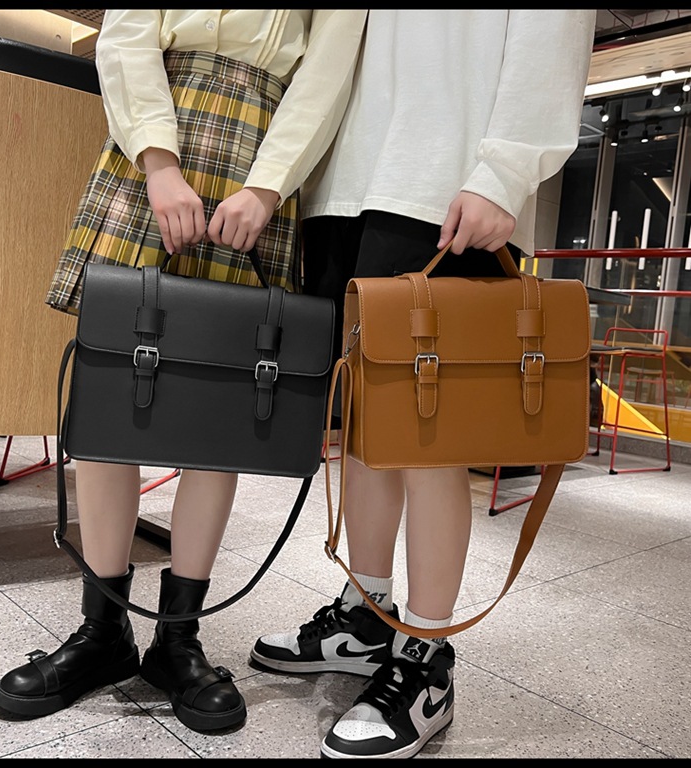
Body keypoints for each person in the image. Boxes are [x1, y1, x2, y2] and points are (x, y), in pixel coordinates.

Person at [0, 9, 366, 733]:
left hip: (260, 157)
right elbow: (127, 32)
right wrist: (160, 166)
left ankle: (177, 640)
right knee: (109, 398)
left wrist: (268, 187)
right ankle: (102, 632)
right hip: (151, 145)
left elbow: (326, 74)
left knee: (222, 413)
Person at [250, 9, 597, 759]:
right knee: (365, 426)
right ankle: (366, 616)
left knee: (430, 440)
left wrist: (505, 170)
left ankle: (426, 654)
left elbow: (554, 30)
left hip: (440, 184)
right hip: (341, 188)